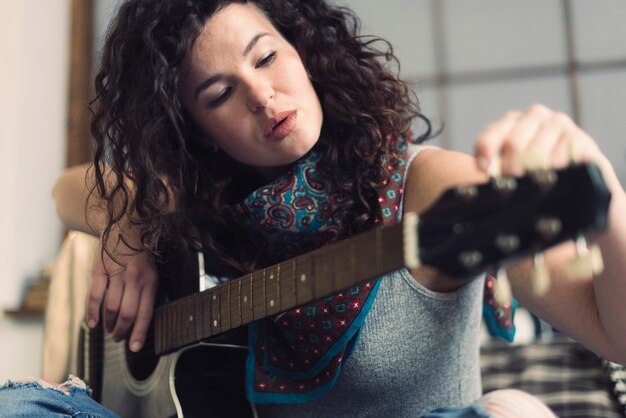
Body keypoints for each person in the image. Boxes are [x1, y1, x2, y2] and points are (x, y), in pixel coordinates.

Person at [2, 0, 626, 417]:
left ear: (301, 49)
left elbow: (611, 333)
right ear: (191, 131)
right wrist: (127, 221)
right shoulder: (200, 204)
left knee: (516, 410)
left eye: (267, 57)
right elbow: (66, 190)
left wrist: (609, 205)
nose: (263, 95)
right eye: (221, 94)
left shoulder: (431, 186)